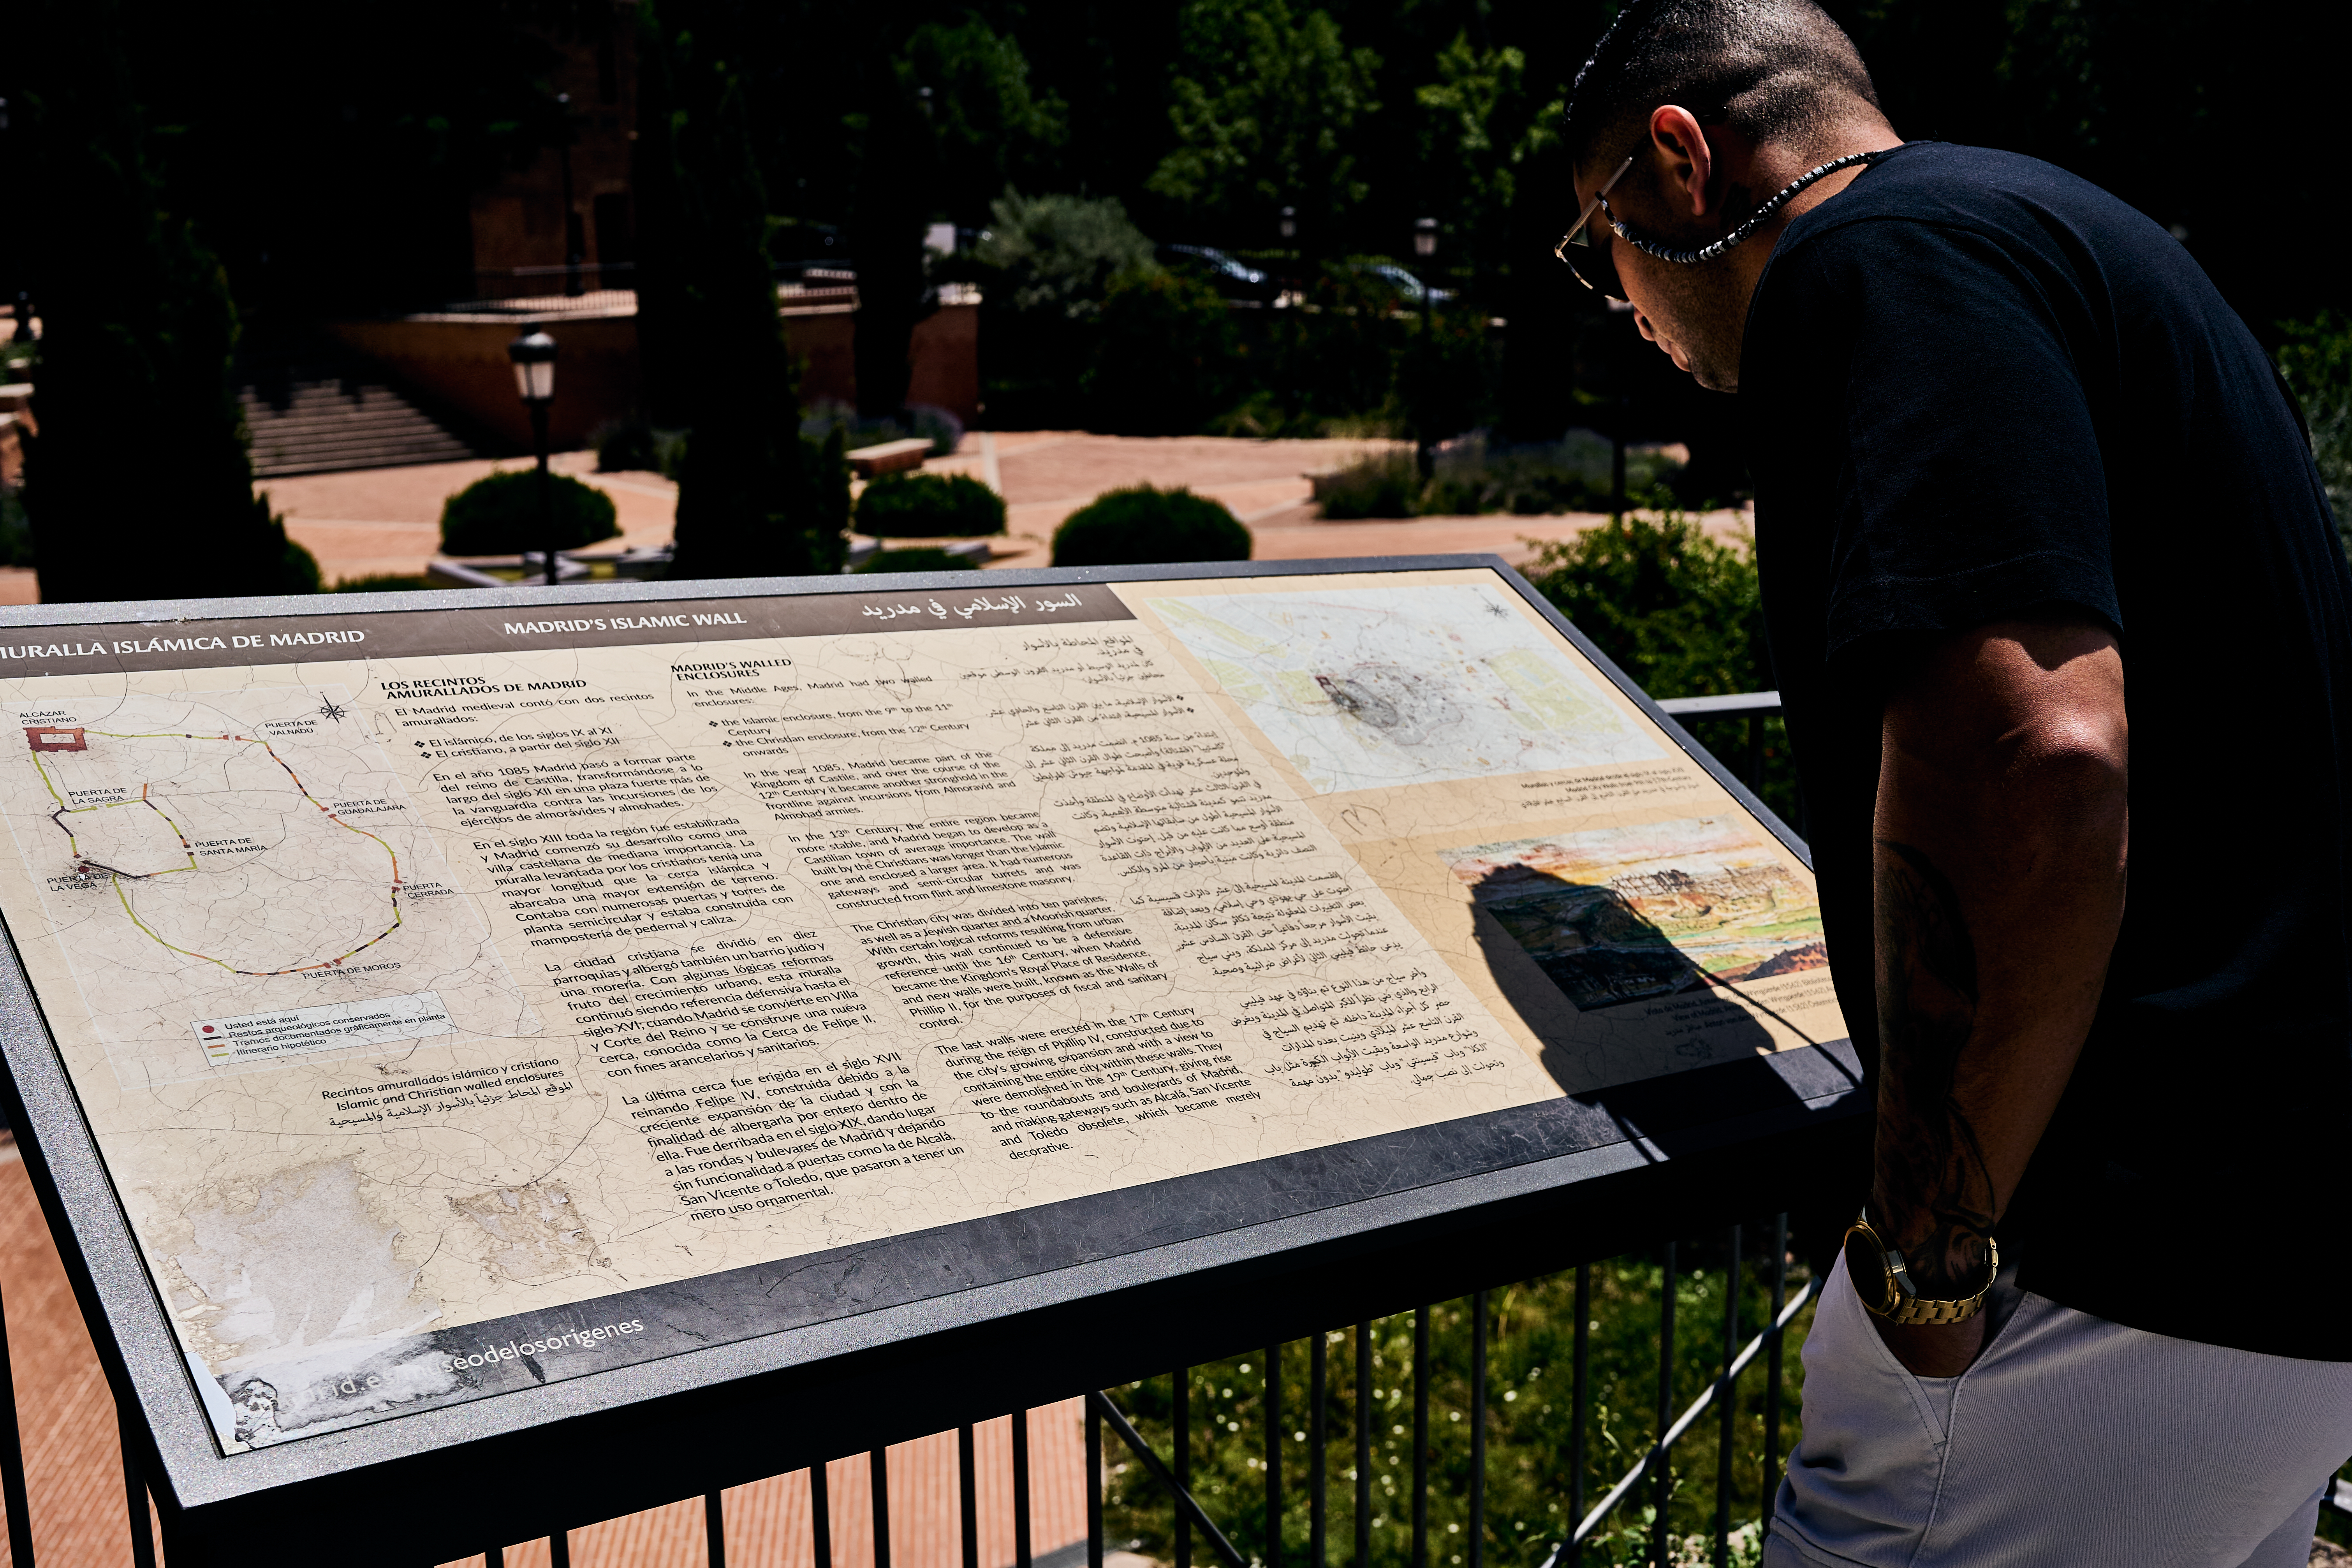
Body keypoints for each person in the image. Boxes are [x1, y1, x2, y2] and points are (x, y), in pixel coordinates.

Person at [1555, 2, 2352, 1563]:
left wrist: (1927, 1248)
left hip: (2106, 1263)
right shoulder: (2055, 225)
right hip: (2279, 1251)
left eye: (1602, 252)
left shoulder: (1870, 265)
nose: (1626, 314)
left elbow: (2038, 761)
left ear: (1678, 159)